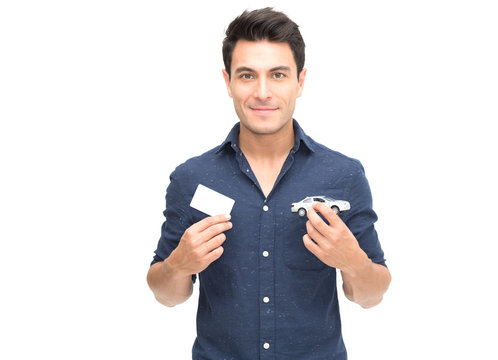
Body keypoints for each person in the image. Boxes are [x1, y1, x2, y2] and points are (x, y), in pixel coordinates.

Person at [147, 7, 391, 359]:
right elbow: (165, 294)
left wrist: (352, 261)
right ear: (227, 82)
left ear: (300, 81)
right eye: (247, 76)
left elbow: (371, 296)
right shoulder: (192, 178)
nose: (262, 92)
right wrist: (178, 266)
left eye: (278, 75)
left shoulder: (344, 175)